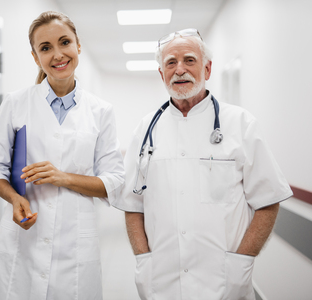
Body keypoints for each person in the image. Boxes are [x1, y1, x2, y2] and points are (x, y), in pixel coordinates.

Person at [113, 28, 293, 300]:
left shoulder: (240, 124)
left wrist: (241, 262)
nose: (179, 69)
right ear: (162, 74)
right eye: (170, 63)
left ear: (207, 69)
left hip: (222, 280)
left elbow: (268, 202)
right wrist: (143, 260)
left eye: (189, 60)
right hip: (161, 279)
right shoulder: (146, 129)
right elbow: (132, 205)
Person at [0, 11, 125, 300]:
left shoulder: (101, 111)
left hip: (74, 244)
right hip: (23, 240)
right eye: (45, 48)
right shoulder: (15, 103)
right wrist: (14, 198)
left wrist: (64, 177)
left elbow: (115, 180)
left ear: (78, 46)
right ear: (36, 57)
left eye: (64, 42)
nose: (57, 54)